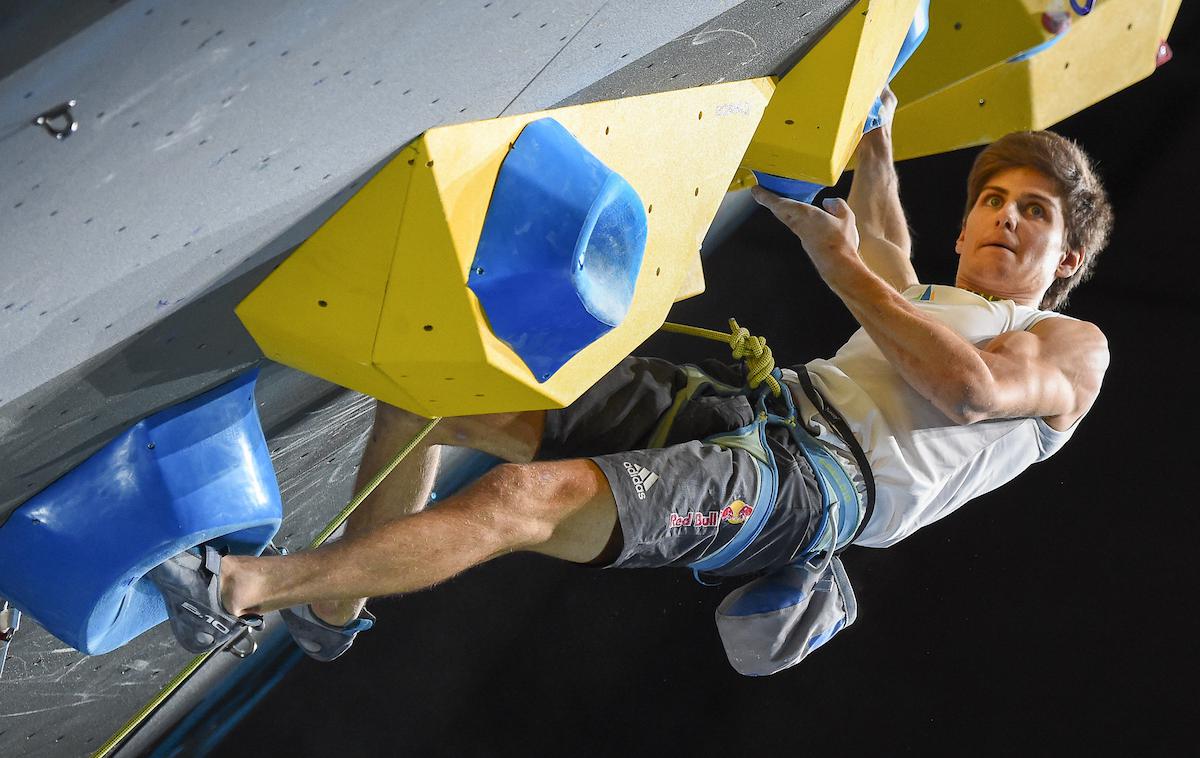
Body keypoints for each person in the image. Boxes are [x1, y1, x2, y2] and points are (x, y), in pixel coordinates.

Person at [150, 90, 1113, 665]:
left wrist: (836, 261)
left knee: (529, 495)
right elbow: (890, 244)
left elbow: (970, 392)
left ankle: (241, 588)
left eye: (1034, 212)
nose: (1007, 216)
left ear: (1065, 260)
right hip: (756, 415)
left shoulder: (1070, 347)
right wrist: (874, 136)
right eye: (993, 198)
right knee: (437, 388)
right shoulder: (932, 303)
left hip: (804, 491)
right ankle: (329, 609)